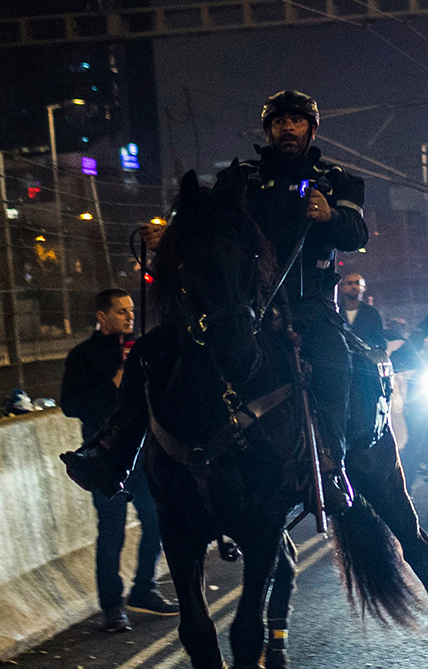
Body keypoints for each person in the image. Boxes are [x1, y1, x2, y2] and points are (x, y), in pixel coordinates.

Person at [64, 89, 368, 495]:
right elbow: (207, 225)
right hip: (243, 303)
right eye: (279, 122)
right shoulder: (240, 177)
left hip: (307, 303)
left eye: (296, 121)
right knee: (150, 352)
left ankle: (332, 463)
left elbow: (356, 233)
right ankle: (112, 452)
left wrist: (330, 216)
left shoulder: (338, 180)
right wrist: (170, 236)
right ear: (269, 130)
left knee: (335, 361)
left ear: (311, 129)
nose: (287, 128)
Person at [59, 289, 177, 631]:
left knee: (156, 521)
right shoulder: (83, 355)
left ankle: (145, 589)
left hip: (144, 453)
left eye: (131, 310)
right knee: (111, 533)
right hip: (106, 457)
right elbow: (72, 405)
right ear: (102, 316)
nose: (130, 316)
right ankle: (112, 607)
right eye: (122, 311)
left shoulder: (141, 349)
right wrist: (113, 383)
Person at [338, 272, 386, 348]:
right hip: (341, 356)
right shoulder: (336, 311)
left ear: (364, 288)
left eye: (357, 283)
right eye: (349, 283)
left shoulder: (372, 313)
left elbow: (379, 339)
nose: (353, 286)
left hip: (365, 357)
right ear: (342, 288)